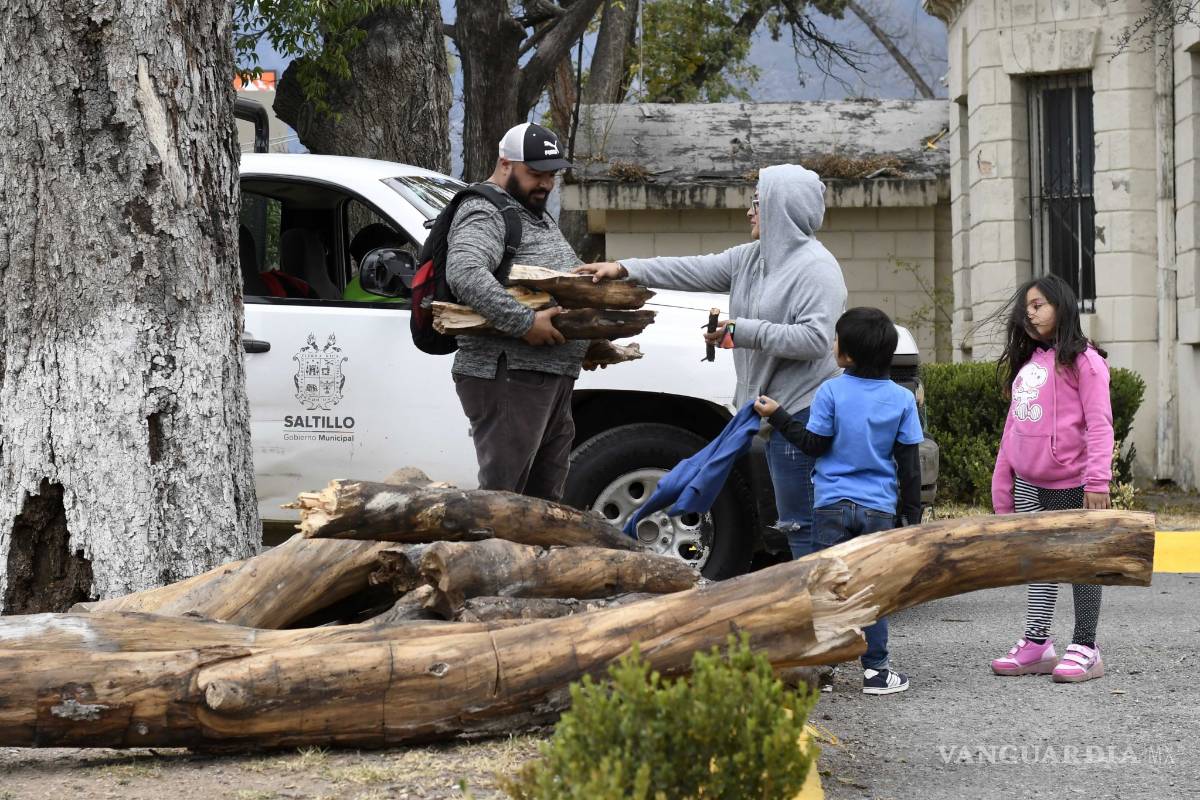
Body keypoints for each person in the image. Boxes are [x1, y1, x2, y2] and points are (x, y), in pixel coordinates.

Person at [575, 164, 847, 558]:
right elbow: (690, 268)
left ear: (781, 208)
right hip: (767, 413)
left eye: (758, 202)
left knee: (804, 526)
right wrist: (624, 269)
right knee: (792, 523)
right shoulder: (752, 258)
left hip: (803, 416)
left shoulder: (817, 270)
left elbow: (815, 339)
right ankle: (815, 605)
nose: (749, 211)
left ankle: (825, 609)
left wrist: (740, 331)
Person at [754, 307, 922, 695]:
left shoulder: (830, 391)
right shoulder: (901, 398)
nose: (831, 344)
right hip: (879, 508)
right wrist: (910, 518)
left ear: (846, 354)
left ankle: (823, 670)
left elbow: (814, 445)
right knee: (872, 591)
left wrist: (778, 416)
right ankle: (877, 672)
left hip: (829, 506)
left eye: (835, 339)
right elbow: (909, 465)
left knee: (826, 588)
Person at [446, 122, 589, 502]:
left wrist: (590, 344)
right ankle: (489, 563)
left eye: (552, 175)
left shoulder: (533, 213)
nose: (545, 184)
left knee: (542, 502)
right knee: (504, 502)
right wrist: (525, 323)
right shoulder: (486, 211)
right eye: (536, 173)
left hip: (546, 376)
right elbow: (464, 271)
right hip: (508, 374)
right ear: (506, 164)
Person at [989, 274, 1114, 683]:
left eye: (1039, 304)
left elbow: (1100, 425)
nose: (1031, 312)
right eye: (1027, 306)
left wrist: (1097, 481)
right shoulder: (1031, 364)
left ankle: (1086, 646)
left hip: (1071, 483)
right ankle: (1038, 643)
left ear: (1062, 307)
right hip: (1028, 482)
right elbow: (1013, 428)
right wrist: (1002, 484)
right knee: (1039, 562)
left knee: (1082, 565)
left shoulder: (1086, 362)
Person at [343, 223, 409, 302]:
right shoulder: (392, 284)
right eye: (393, 250)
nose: (399, 255)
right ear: (374, 257)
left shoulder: (352, 287)